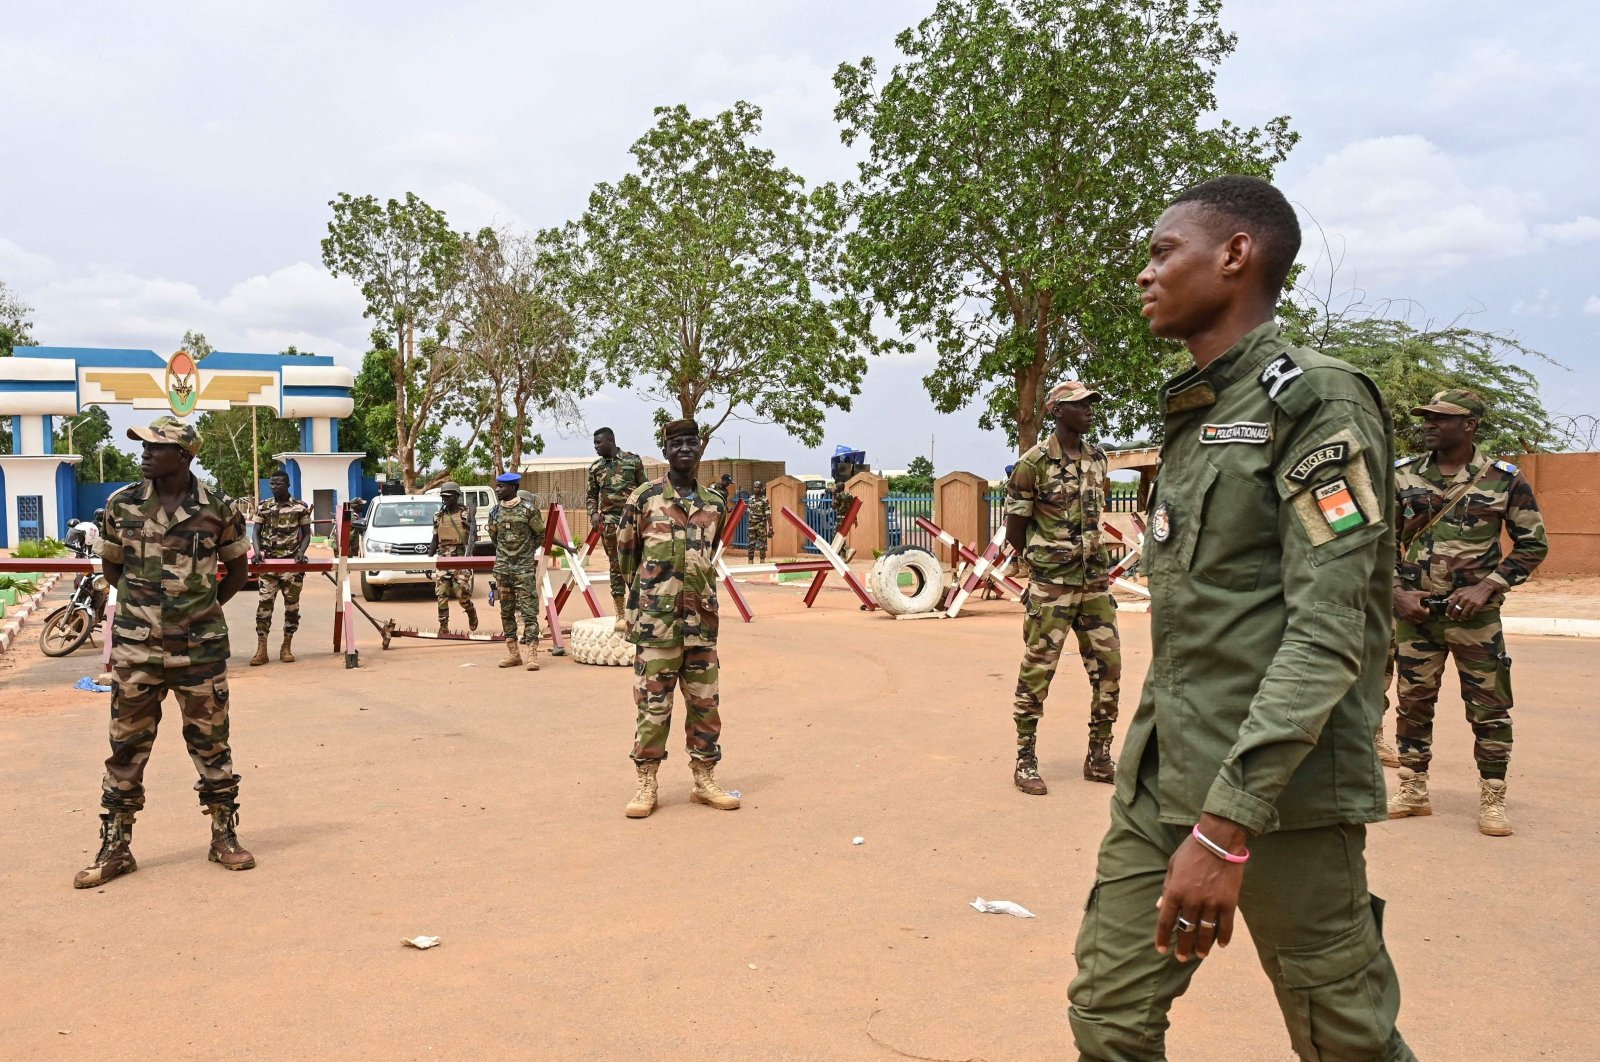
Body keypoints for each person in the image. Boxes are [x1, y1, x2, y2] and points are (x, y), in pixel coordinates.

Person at [1068, 176, 1413, 1060]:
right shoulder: (1201, 409)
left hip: (1278, 797)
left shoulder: (1316, 403)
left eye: (1160, 253)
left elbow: (1330, 632)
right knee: (1107, 1020)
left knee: (1346, 1040)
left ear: (1234, 255)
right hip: (1164, 775)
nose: (1144, 275)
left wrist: (1224, 829)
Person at [75, 416, 255, 888]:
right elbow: (113, 570)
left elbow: (237, 571)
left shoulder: (218, 508)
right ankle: (116, 848)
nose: (145, 453)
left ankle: (224, 837)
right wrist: (148, 613)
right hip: (137, 651)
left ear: (184, 454)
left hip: (200, 651)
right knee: (126, 748)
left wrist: (199, 612)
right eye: (144, 446)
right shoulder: (122, 505)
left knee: (212, 744)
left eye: (156, 446)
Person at [1387, 389, 1548, 836]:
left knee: (1489, 708)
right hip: (1416, 614)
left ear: (1470, 426)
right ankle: (1413, 788)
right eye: (1427, 417)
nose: (1429, 424)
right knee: (1413, 703)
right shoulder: (1401, 477)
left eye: (1441, 418)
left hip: (1473, 618)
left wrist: (1489, 585)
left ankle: (1493, 796)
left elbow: (1533, 544)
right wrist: (1397, 592)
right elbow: (1378, 542)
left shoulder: (1502, 479)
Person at [616, 418, 738, 819]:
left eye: (692, 443)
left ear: (700, 449)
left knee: (705, 705)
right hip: (657, 625)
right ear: (666, 450)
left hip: (701, 622)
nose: (685, 450)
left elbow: (710, 554)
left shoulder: (715, 504)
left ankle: (704, 779)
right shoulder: (644, 499)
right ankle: (647, 783)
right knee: (653, 707)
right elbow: (627, 557)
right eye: (677, 444)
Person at [1003, 380, 1121, 793]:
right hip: (1052, 586)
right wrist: (1043, 560)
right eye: (1080, 404)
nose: (1089, 409)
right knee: (1038, 671)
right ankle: (1025, 758)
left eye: (1092, 403)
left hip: (1095, 584)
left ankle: (1099, 755)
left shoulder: (1098, 459)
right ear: (1057, 411)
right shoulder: (1032, 464)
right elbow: (1015, 529)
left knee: (1109, 672)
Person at [586, 427, 648, 631]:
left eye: (598, 443)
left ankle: (638, 610)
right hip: (610, 526)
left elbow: (645, 490)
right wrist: (593, 514)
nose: (595, 447)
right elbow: (591, 496)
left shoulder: (633, 461)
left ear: (610, 441)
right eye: (594, 443)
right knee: (616, 568)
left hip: (633, 523)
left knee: (637, 565)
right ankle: (620, 615)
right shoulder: (595, 468)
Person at [250, 469, 311, 666]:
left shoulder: (300, 507)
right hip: (268, 567)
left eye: (278, 484)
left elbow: (306, 534)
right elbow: (256, 533)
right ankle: (262, 649)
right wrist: (257, 552)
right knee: (264, 608)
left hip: (291, 566)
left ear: (287, 485)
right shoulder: (264, 507)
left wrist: (301, 552)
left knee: (292, 608)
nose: (274, 487)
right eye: (272, 484)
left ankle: (286, 646)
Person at [488, 471, 546, 671]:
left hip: (524, 568)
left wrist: (525, 552)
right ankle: (513, 654)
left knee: (529, 611)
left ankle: (532, 654)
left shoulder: (529, 510)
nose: (498, 489)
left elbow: (540, 535)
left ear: (512, 487)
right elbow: (494, 539)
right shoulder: (495, 512)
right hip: (503, 568)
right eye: (497, 486)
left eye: (501, 487)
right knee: (506, 611)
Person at [429, 482, 478, 635]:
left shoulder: (466, 514)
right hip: (443, 559)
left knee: (461, 593)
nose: (445, 500)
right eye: (443, 497)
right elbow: (434, 540)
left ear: (457, 496)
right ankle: (443, 627)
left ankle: (470, 610)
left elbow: (473, 538)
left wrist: (470, 525)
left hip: (461, 558)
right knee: (441, 594)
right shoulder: (438, 516)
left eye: (448, 497)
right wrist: (429, 561)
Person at [746, 481, 771, 563]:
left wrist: (770, 527)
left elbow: (768, 514)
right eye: (755, 487)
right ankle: (750, 561)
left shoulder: (764, 500)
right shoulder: (751, 499)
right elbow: (749, 511)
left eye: (757, 487)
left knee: (762, 544)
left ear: (761, 488)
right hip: (751, 525)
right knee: (751, 544)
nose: (756, 489)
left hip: (761, 524)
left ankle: (762, 561)